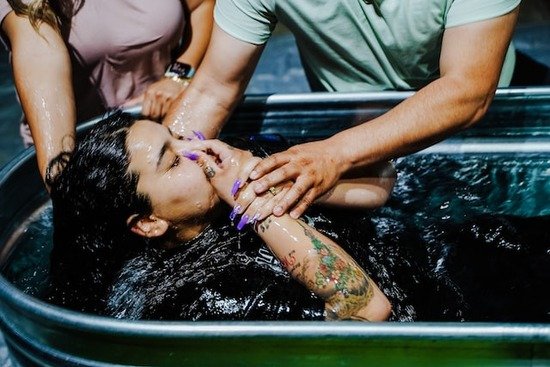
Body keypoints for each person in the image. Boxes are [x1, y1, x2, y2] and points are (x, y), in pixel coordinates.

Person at [162, 0, 521, 219]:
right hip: (350, 129)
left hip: (479, 136)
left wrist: (333, 154)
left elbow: (467, 90)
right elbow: (213, 90)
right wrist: (162, 160)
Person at [46, 111, 395, 321]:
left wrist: (260, 173)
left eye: (179, 136)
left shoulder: (240, 171)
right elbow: (366, 312)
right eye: (174, 161)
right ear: (149, 223)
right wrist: (251, 204)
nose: (198, 149)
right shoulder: (202, 298)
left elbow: (382, 182)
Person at [0, 0, 214, 184]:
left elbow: (202, 6)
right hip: (84, 148)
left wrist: (177, 76)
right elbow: (41, 56)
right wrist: (62, 180)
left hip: (163, 124)